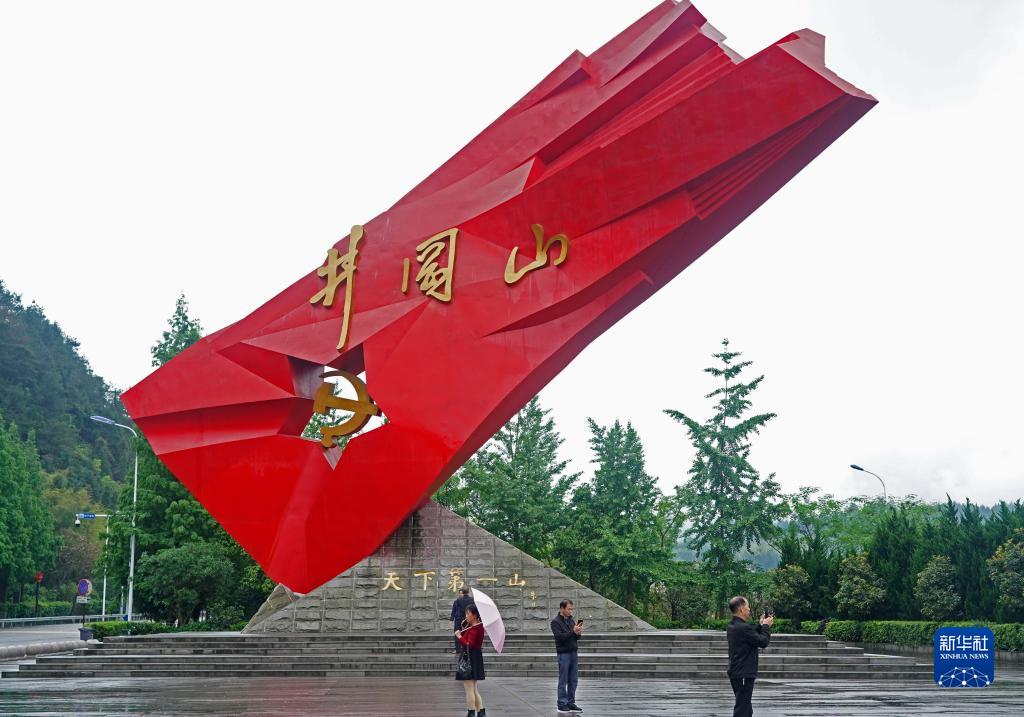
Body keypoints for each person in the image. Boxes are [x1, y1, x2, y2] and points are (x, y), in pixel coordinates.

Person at [726, 595, 773, 717]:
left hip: (738, 671)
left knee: (746, 707)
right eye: (747, 606)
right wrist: (766, 626)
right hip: (743, 672)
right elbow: (763, 642)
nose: (749, 609)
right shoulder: (743, 627)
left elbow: (751, 636)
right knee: (742, 707)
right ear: (741, 609)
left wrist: (760, 625)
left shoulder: (734, 625)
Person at [550, 598, 583, 714]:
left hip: (573, 653)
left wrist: (578, 633)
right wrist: (573, 632)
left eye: (571, 609)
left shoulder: (571, 620)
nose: (570, 611)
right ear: (562, 609)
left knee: (573, 680)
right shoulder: (555, 622)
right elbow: (560, 638)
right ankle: (561, 703)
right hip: (563, 654)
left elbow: (575, 637)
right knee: (563, 679)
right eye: (569, 609)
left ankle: (571, 702)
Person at [455, 603, 486, 717]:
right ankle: (481, 712)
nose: (466, 615)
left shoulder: (475, 629)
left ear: (475, 615)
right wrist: (464, 629)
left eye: (468, 613)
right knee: (473, 689)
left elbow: (469, 645)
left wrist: (459, 636)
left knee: (469, 689)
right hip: (475, 658)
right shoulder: (476, 627)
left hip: (470, 659)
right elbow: (469, 640)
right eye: (466, 613)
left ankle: (471, 712)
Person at [450, 587, 473, 653]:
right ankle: (468, 648)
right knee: (468, 634)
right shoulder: (472, 600)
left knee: (457, 634)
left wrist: (451, 619)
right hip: (469, 619)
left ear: (462, 592)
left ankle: (458, 649)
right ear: (468, 592)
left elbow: (454, 610)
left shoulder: (458, 600)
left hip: (459, 620)